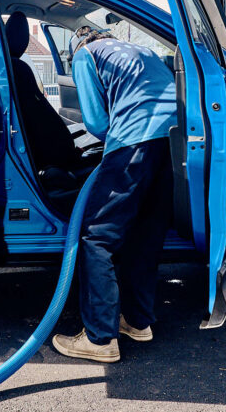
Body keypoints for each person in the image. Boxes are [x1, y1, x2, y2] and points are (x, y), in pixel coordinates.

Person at [51, 27, 176, 363]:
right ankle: (138, 322)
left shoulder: (85, 55)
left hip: (133, 141)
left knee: (97, 238)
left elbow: (95, 122)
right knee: (145, 235)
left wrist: (112, 151)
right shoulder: (142, 52)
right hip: (173, 144)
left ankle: (100, 338)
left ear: (79, 43)